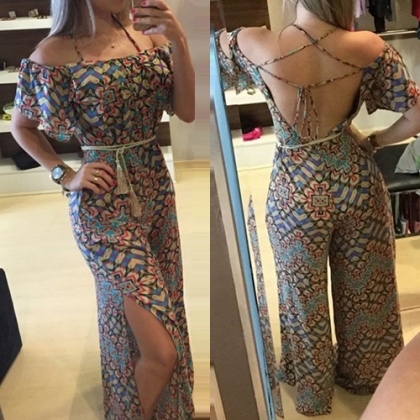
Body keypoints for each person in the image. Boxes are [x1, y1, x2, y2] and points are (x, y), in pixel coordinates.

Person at [216, 0, 420, 416]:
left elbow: (209, 52)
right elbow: (418, 113)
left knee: (302, 298)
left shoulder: (256, 42)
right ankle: (368, 378)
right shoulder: (367, 46)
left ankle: (313, 392)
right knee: (366, 291)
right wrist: (376, 140)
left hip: (295, 189)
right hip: (354, 181)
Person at [11, 0, 195, 419]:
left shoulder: (147, 36)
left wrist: (180, 41)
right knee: (161, 351)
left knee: (153, 304)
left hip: (155, 189)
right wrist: (64, 174)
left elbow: (186, 111)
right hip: (102, 208)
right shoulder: (53, 53)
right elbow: (22, 126)